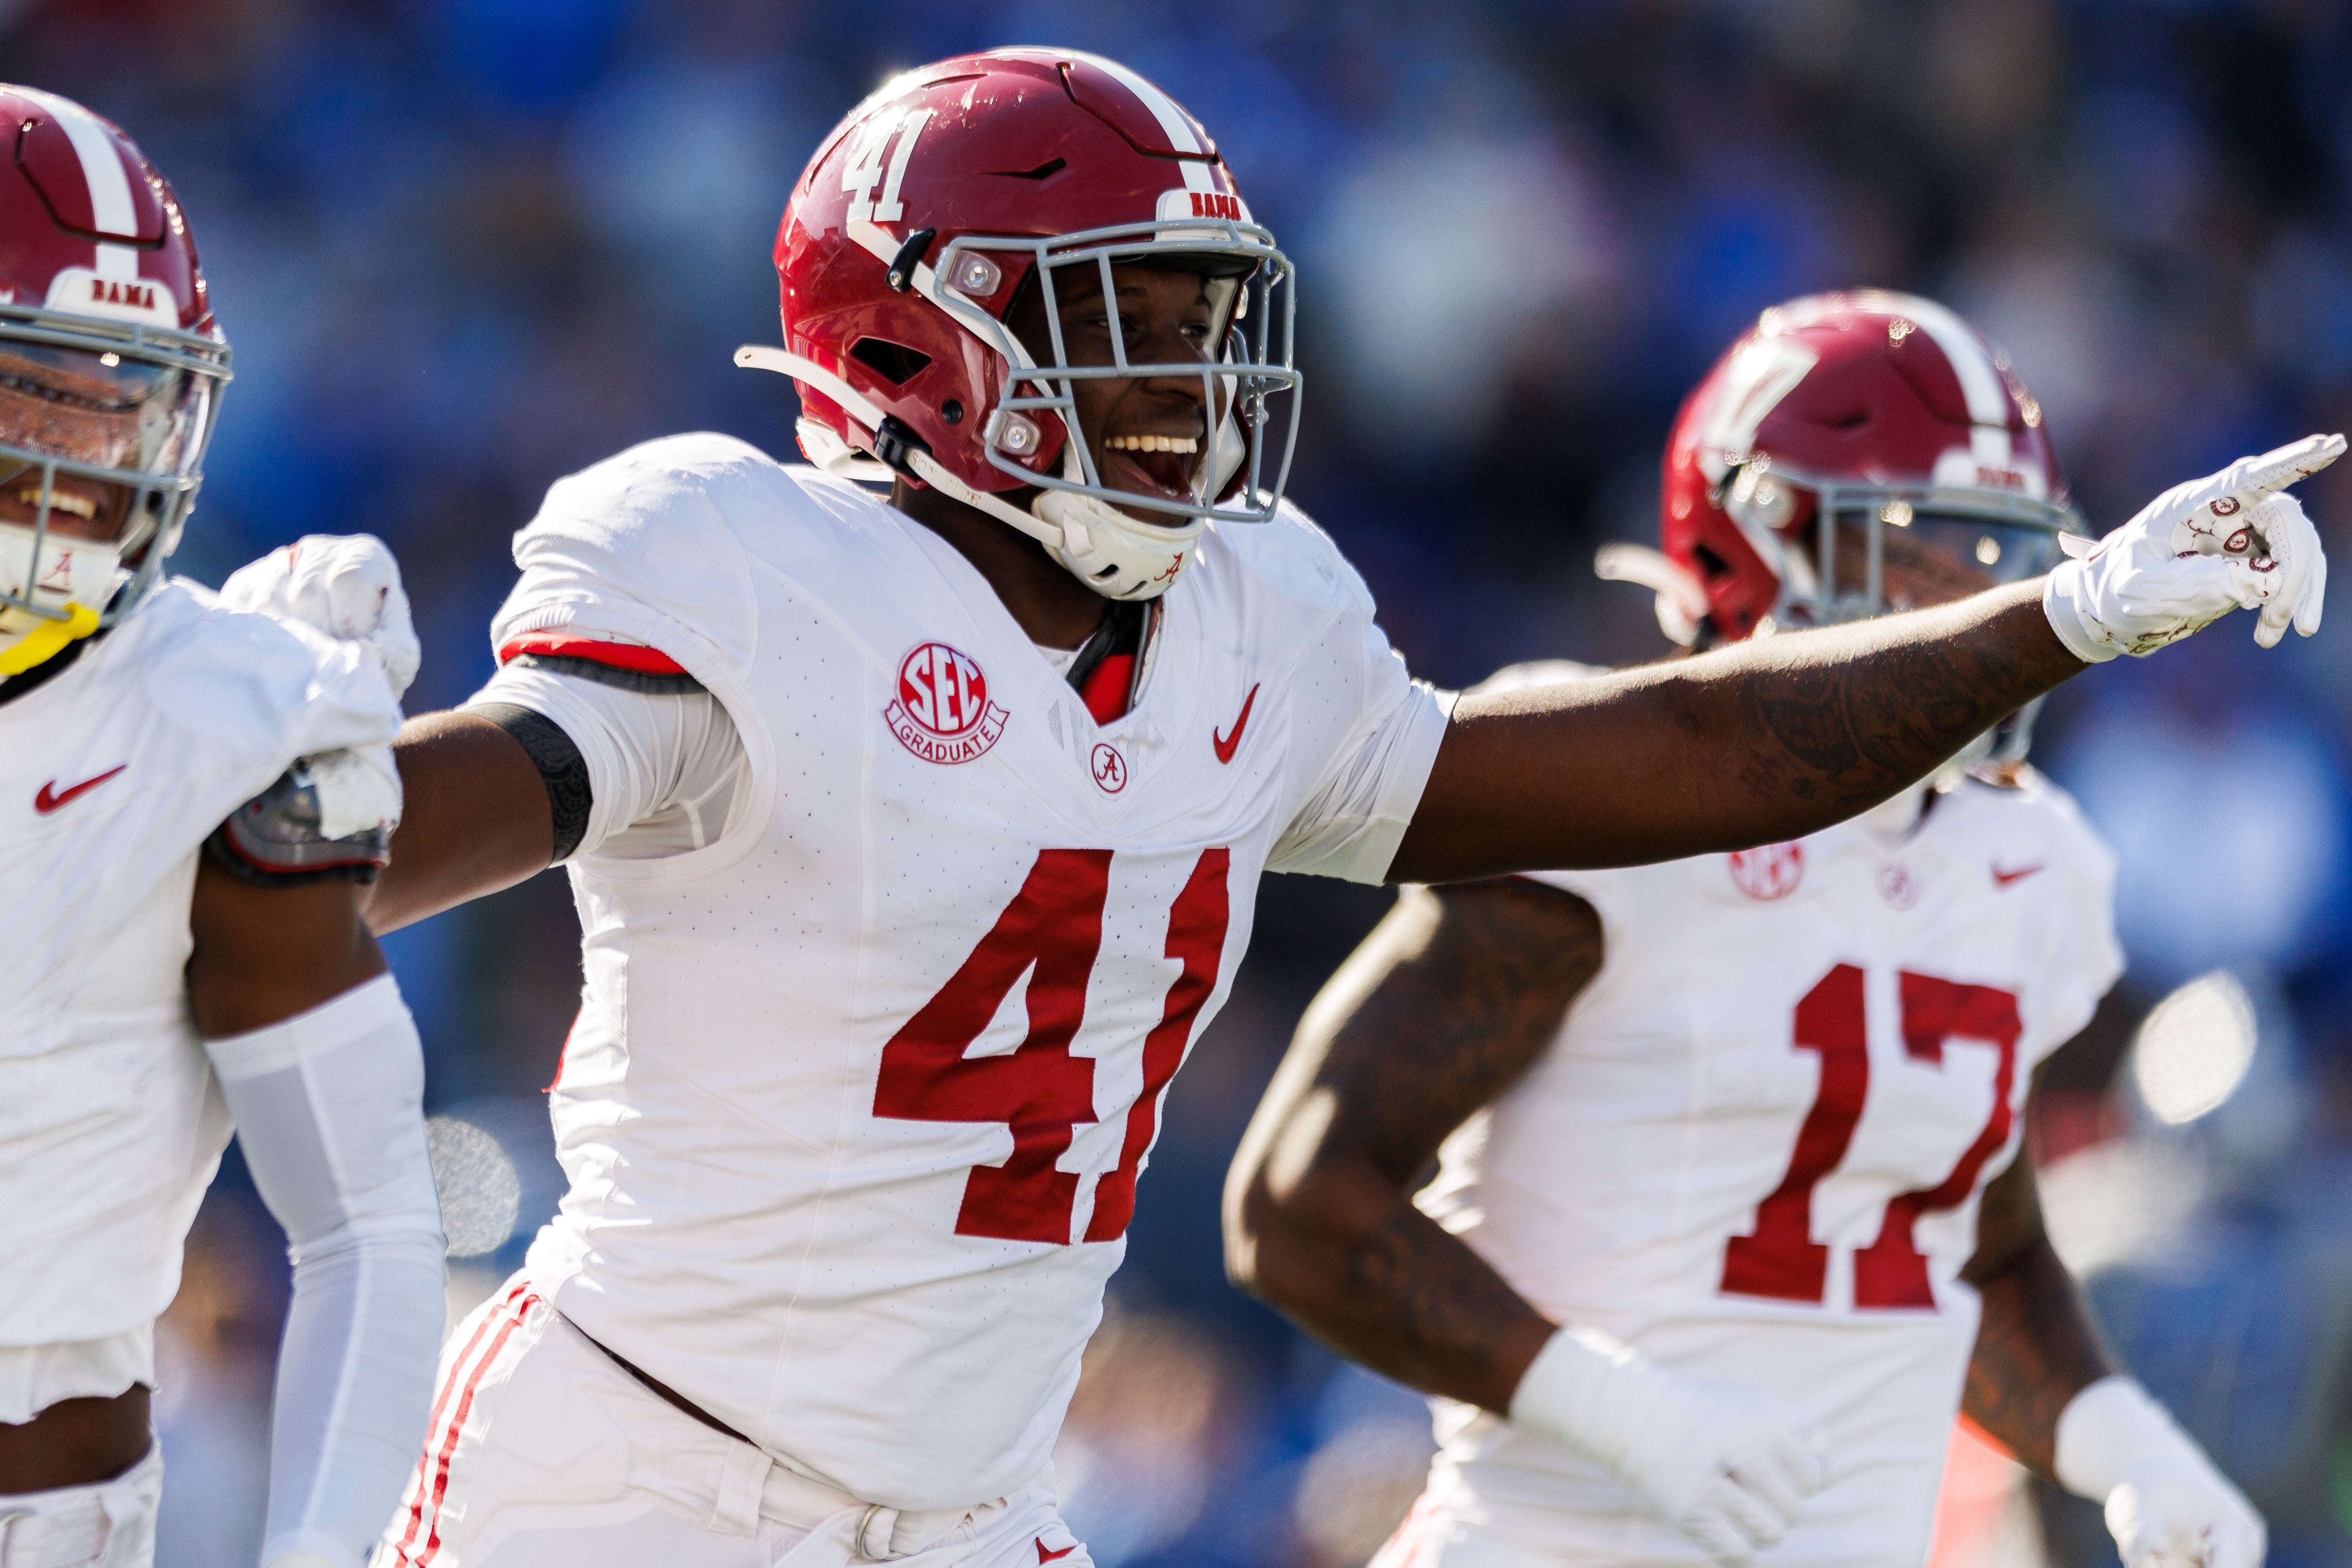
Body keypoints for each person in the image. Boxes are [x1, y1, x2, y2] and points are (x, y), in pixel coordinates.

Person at [245, 50, 2320, 1568]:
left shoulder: (1256, 618)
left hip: (978, 1504)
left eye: (1205, 319)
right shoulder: (749, 564)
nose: (1191, 380)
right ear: (909, 336)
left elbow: (1680, 759)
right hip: (640, 1480)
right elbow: (476, 806)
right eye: (1121, 324)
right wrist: (311, 795)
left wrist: (2070, 616)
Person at [1224, 292, 2266, 1568]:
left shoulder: (2031, 862)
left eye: (2007, 551)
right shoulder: (1615, 826)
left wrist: (2126, 1449)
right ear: (1751, 542)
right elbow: (1298, 1202)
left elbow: (1964, 1250)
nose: (1975, 589)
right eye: (1926, 542)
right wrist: (1618, 1412)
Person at [0, 87, 446, 1568]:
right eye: (35, 383)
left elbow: (366, 1225)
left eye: (119, 388)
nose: (89, 442)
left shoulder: (220, 722)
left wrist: (323, 1558)